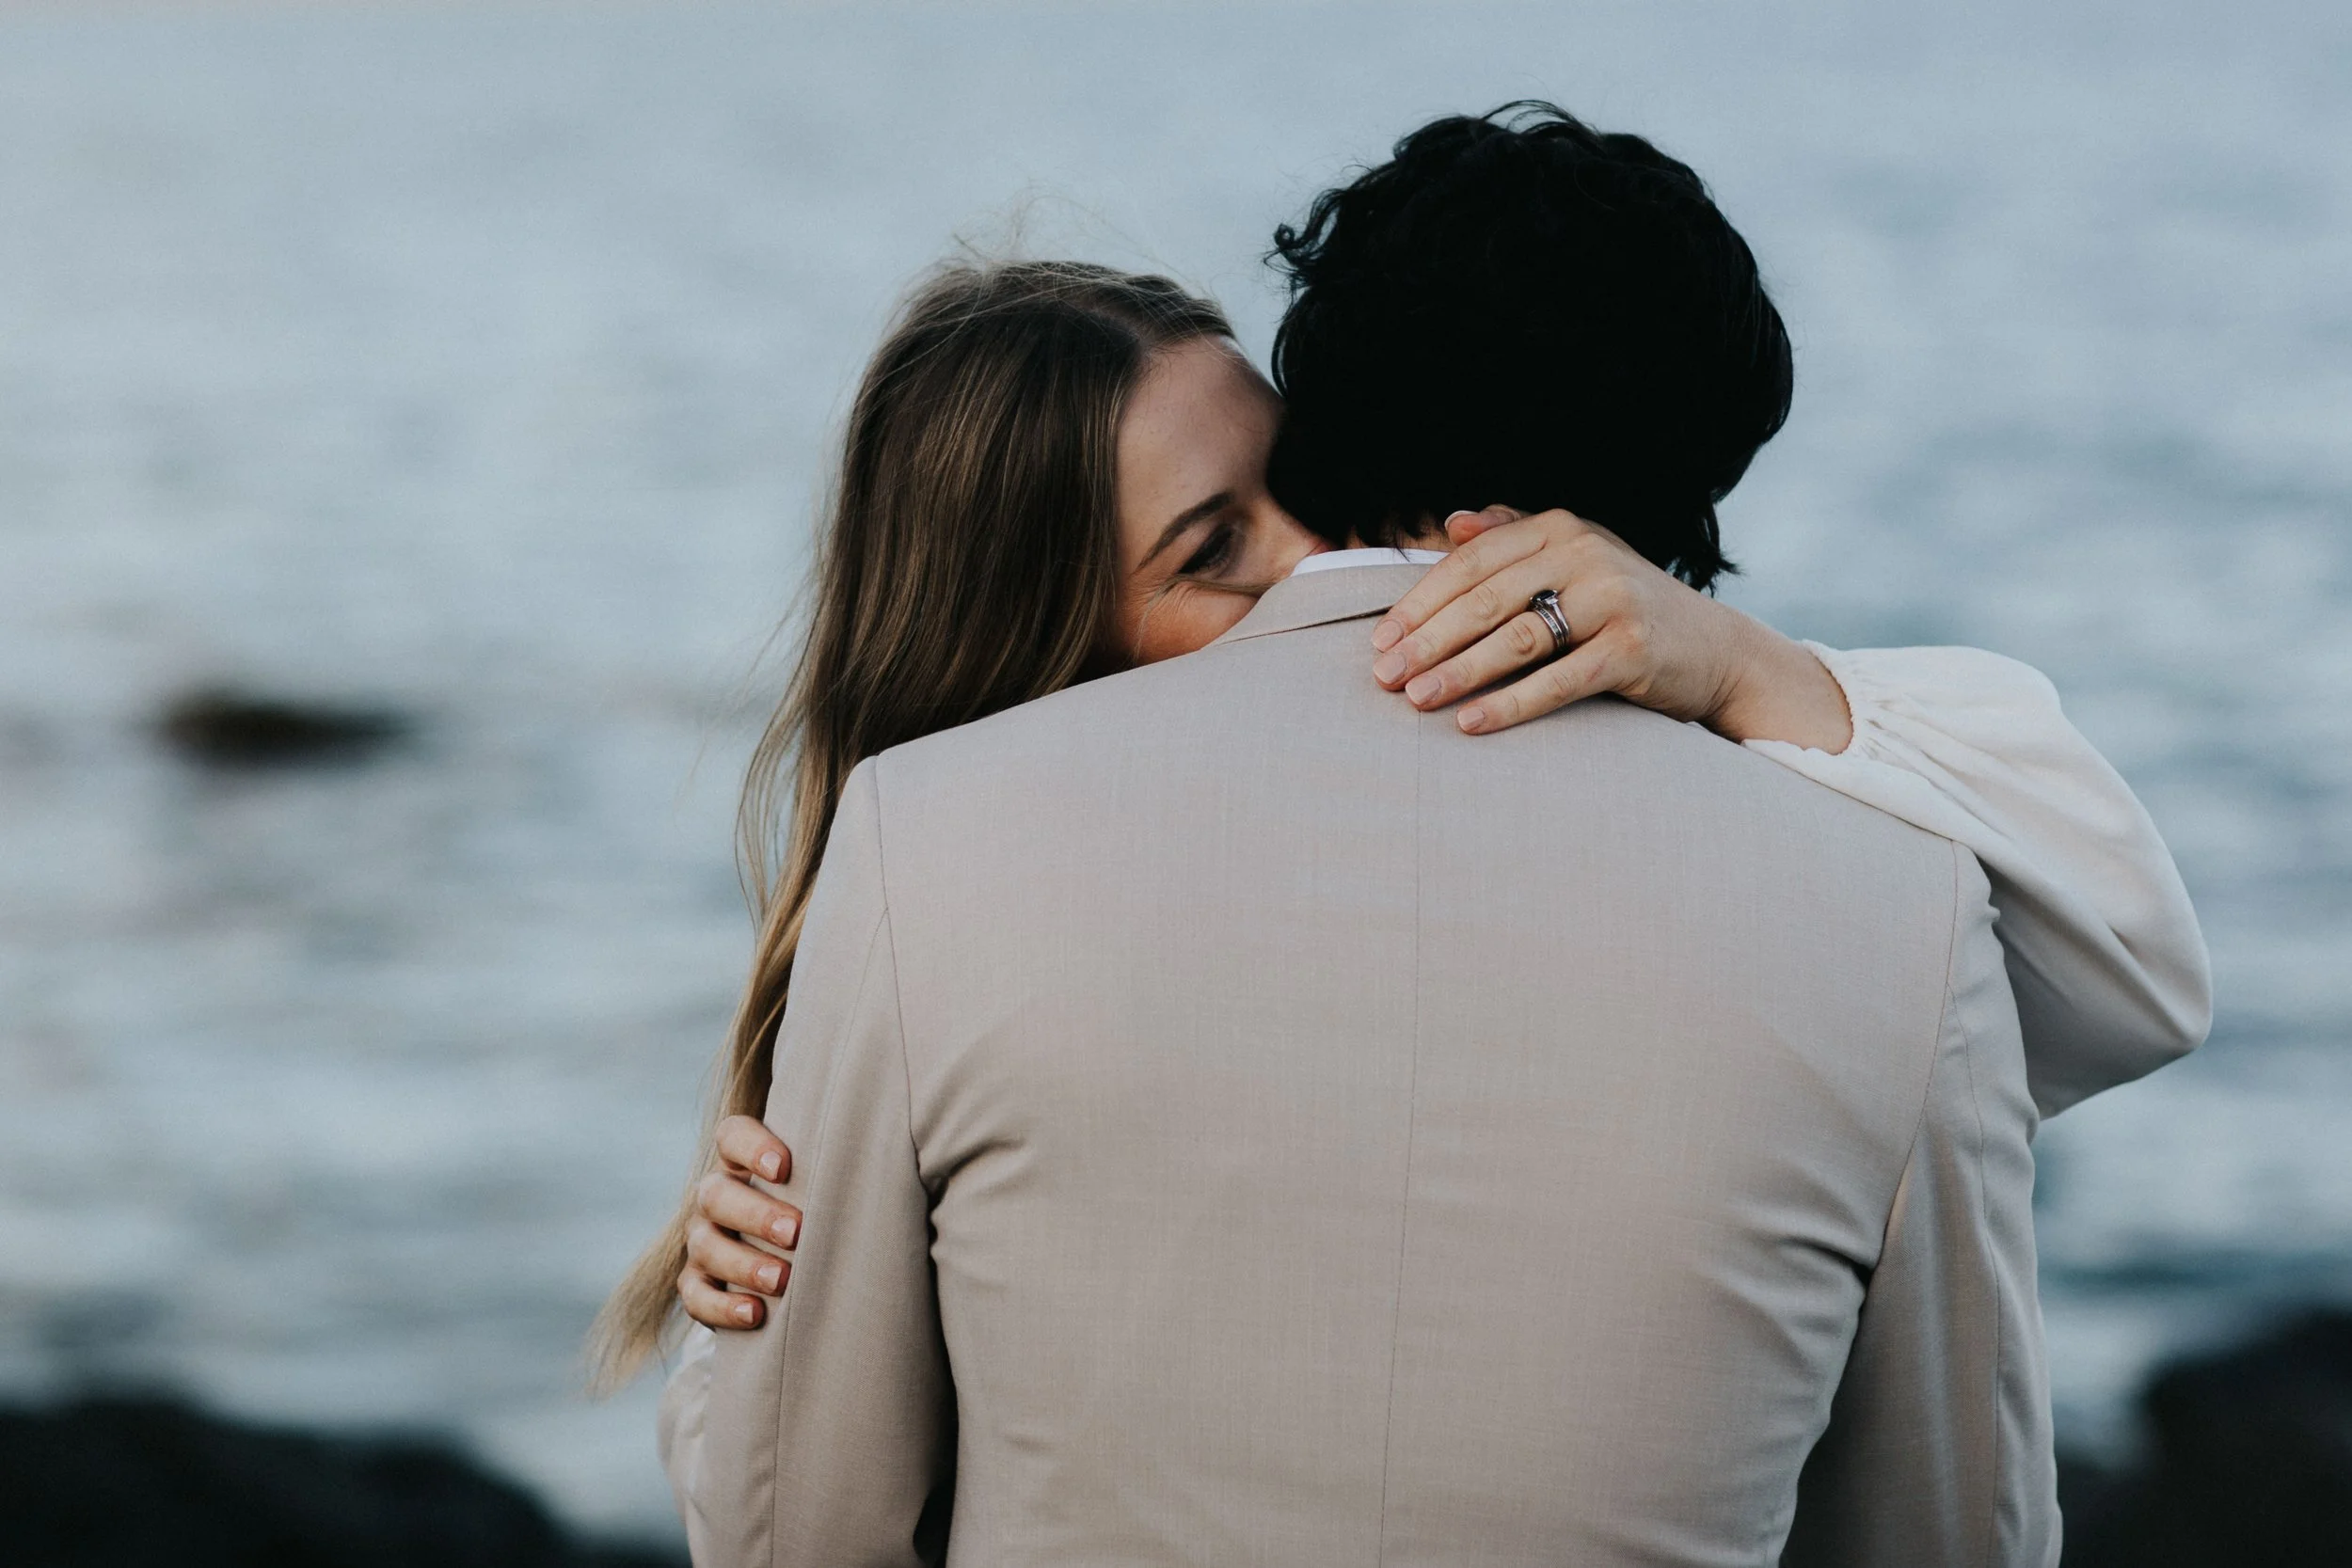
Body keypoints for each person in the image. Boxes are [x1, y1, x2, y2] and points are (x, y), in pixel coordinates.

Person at [608, 105, 2210, 1563]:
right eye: (1220, 544)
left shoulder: (922, 849)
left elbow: (791, 1533)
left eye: (1290, 487)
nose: (1310, 575)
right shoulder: (1905, 906)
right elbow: (1958, 1534)